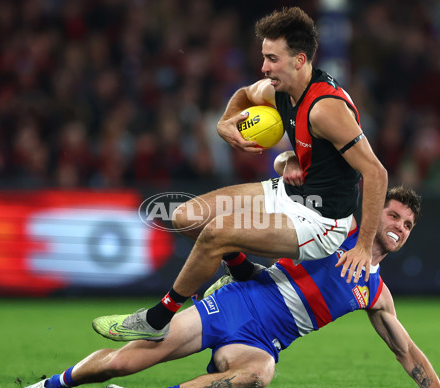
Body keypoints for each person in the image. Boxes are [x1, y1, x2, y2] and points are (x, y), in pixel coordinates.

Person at [3, 186, 440, 388]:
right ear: (376, 212)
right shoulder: (335, 228)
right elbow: (286, 200)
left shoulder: (376, 292)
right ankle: (52, 386)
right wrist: (281, 171)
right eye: (393, 215)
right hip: (234, 304)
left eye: (407, 225)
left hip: (261, 343)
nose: (398, 227)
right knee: (123, 360)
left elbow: (405, 351)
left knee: (261, 374)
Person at [92, 6, 387, 343]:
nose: (264, 67)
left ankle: (158, 318)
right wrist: (224, 124)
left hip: (322, 221)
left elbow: (376, 173)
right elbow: (245, 94)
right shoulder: (280, 89)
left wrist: (363, 246)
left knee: (218, 233)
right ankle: (244, 271)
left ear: (300, 60)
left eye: (272, 59)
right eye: (264, 57)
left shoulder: (325, 109)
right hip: (292, 193)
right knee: (185, 216)